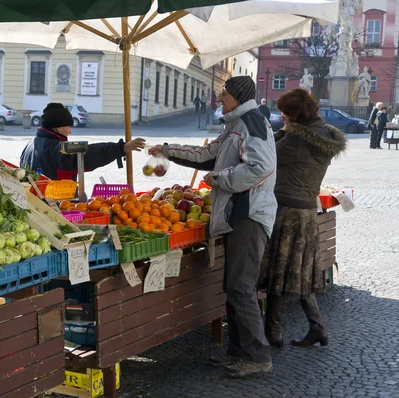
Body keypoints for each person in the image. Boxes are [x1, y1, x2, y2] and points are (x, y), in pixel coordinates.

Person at [148, 76, 277, 378]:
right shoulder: (236, 123)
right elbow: (208, 155)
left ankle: (257, 356)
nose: (219, 99)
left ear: (237, 96)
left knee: (241, 287)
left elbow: (261, 167)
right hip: (236, 216)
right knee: (232, 286)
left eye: (223, 94)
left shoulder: (252, 122)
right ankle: (238, 353)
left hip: (250, 215)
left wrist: (220, 179)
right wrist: (167, 149)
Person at [259, 88, 346, 349]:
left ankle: (272, 333)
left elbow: (267, 156)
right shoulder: (325, 136)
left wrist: (283, 131)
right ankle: (317, 327)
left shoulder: (298, 139)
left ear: (296, 114)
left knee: (278, 271)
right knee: (300, 272)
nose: (282, 116)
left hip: (287, 211)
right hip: (307, 210)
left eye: (285, 113)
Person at [20, 103, 145, 181]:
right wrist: (120, 148)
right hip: (55, 202)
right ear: (58, 127)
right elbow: (89, 154)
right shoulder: (57, 149)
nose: (70, 131)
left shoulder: (30, 145)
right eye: (69, 126)